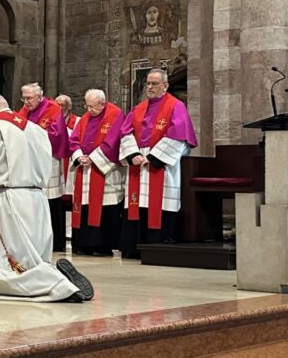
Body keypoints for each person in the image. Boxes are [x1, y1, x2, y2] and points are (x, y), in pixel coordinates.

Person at [0, 93, 93, 302]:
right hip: (37, 199)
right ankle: (53, 276)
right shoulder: (36, 129)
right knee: (33, 257)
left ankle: (58, 284)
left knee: (2, 269)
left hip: (5, 200)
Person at [118, 69, 198, 258]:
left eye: (154, 84)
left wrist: (154, 157)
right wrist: (133, 154)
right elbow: (125, 132)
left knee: (160, 203)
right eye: (148, 83)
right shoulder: (139, 108)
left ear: (165, 86)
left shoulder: (176, 106)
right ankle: (134, 248)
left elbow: (179, 135)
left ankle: (158, 247)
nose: (150, 87)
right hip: (139, 162)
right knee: (137, 204)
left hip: (161, 163)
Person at [68, 89, 125, 256]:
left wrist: (93, 158)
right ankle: (83, 244)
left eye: (92, 106)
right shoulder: (86, 118)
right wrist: (79, 156)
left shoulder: (115, 114)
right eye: (87, 106)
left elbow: (113, 142)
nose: (88, 110)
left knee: (104, 207)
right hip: (86, 169)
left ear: (102, 103)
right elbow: (73, 140)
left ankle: (102, 246)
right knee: (84, 206)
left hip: (105, 172)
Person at [17, 83, 70, 252]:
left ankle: (56, 242)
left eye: (29, 98)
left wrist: (31, 134)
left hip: (48, 160)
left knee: (51, 202)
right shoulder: (25, 110)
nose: (26, 102)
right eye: (24, 98)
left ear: (40, 97)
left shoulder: (52, 109)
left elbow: (56, 135)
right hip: (29, 161)